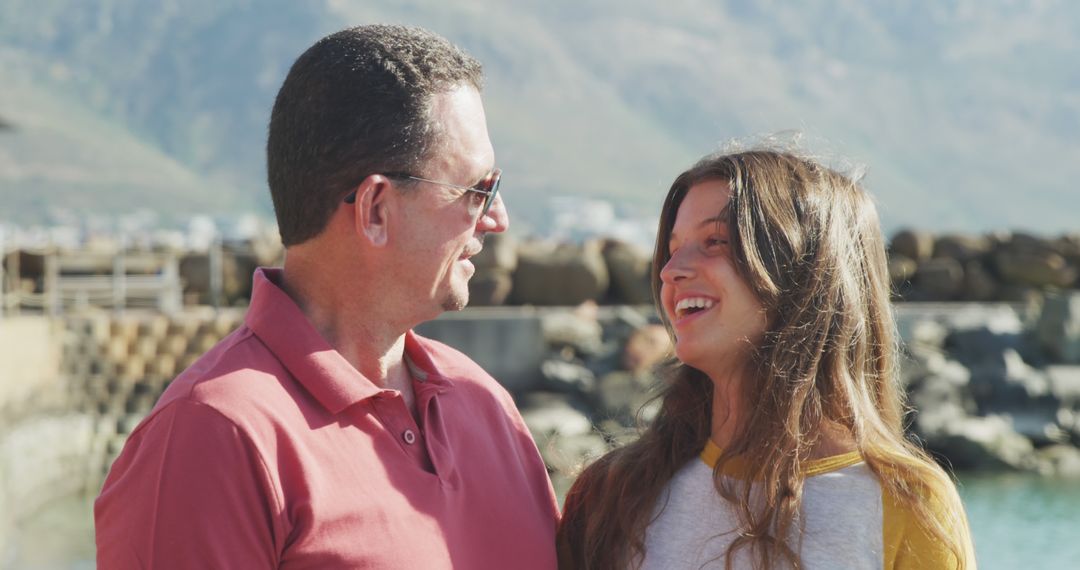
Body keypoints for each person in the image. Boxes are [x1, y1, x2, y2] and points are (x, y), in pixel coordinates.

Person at [95, 25, 560, 568]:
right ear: (376, 210)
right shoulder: (212, 437)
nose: (498, 219)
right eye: (480, 190)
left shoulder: (486, 403)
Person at [557, 148, 976, 569]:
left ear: (805, 273)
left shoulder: (907, 504)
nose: (671, 271)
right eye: (673, 248)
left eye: (715, 242)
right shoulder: (610, 496)